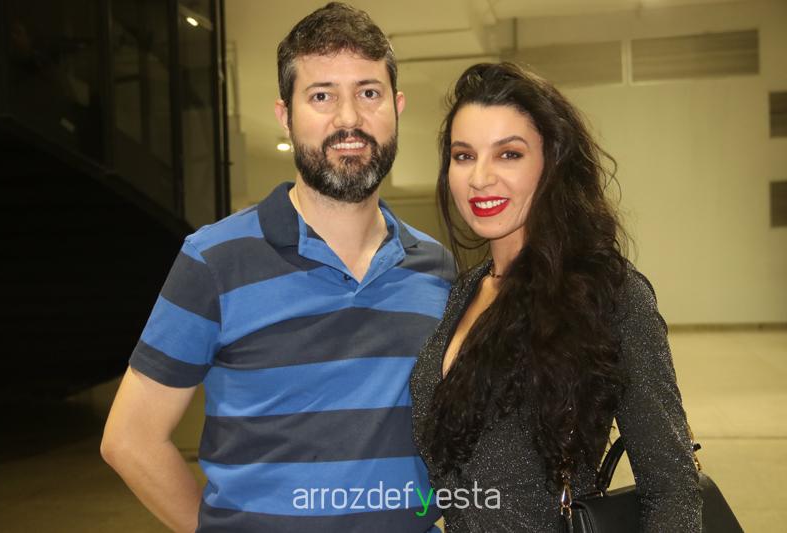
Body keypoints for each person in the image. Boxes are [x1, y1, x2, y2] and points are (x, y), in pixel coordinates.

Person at [101, 3, 454, 532]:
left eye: (369, 93)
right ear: (285, 115)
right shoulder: (213, 259)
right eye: (321, 96)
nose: (349, 119)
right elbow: (130, 439)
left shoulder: (436, 268)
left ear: (396, 107)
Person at [410, 62, 702, 532]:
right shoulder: (463, 292)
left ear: (553, 163)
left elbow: (671, 489)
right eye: (464, 155)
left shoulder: (609, 295)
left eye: (509, 154)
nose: (480, 177)